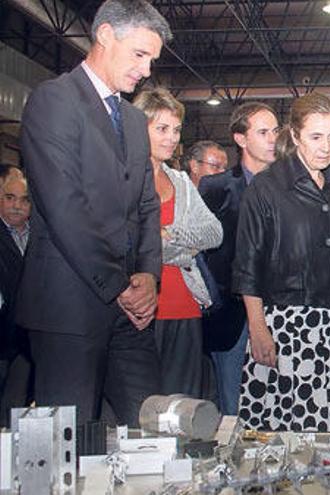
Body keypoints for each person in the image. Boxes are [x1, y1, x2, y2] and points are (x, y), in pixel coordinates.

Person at [17, 0, 170, 426]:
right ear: (104, 35)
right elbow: (64, 206)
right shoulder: (54, 100)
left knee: (153, 426)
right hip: (68, 305)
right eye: (139, 55)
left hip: (131, 306)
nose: (146, 70)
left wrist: (147, 275)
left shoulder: (135, 121)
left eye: (152, 60)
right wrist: (119, 283)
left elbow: (145, 205)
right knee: (70, 439)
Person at [233, 92, 330, 431]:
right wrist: (258, 326)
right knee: (287, 434)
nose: (326, 147)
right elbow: (247, 264)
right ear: (294, 136)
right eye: (316, 136)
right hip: (286, 326)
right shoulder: (265, 189)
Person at [132, 88, 222, 398]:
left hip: (186, 306)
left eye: (176, 129)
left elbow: (214, 233)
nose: (171, 138)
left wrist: (170, 235)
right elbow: (128, 244)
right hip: (139, 307)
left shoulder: (181, 182)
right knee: (139, 410)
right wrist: (184, 251)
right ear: (137, 128)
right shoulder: (122, 178)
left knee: (183, 411)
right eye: (162, 129)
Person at [200, 102, 279, 416]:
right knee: (233, 407)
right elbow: (203, 252)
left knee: (276, 404)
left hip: (280, 312)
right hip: (231, 316)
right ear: (241, 139)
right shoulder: (216, 187)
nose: (273, 138)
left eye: (275, 131)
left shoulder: (289, 186)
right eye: (263, 132)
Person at [0, 175, 31, 426]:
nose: (17, 206)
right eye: (10, 198)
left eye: (24, 200)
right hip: (3, 337)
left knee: (16, 410)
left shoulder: (41, 237)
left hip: (30, 340)